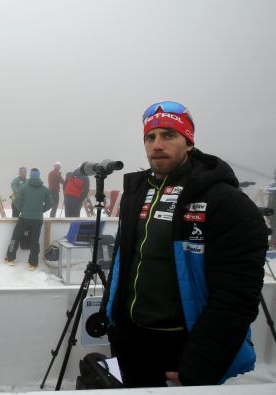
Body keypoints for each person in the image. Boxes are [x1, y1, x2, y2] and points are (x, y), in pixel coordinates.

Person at [104, 101, 268, 387]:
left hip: (183, 349)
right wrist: (112, 317)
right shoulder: (137, 193)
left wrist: (199, 367)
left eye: (168, 135)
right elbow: (124, 261)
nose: (157, 145)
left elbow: (236, 297)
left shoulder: (226, 202)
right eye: (150, 137)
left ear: (189, 142)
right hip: (130, 341)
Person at [4, 168, 52, 271]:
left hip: (24, 218)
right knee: (35, 241)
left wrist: (25, 210)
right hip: (37, 220)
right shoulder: (45, 189)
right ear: (39, 176)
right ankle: (33, 264)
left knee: (15, 238)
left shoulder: (23, 188)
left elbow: (17, 203)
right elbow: (49, 204)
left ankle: (10, 258)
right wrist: (40, 211)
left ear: (30, 175)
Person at [265, 169, 276, 247]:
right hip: (273, 211)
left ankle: (273, 243)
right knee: (273, 227)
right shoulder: (272, 185)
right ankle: (273, 243)